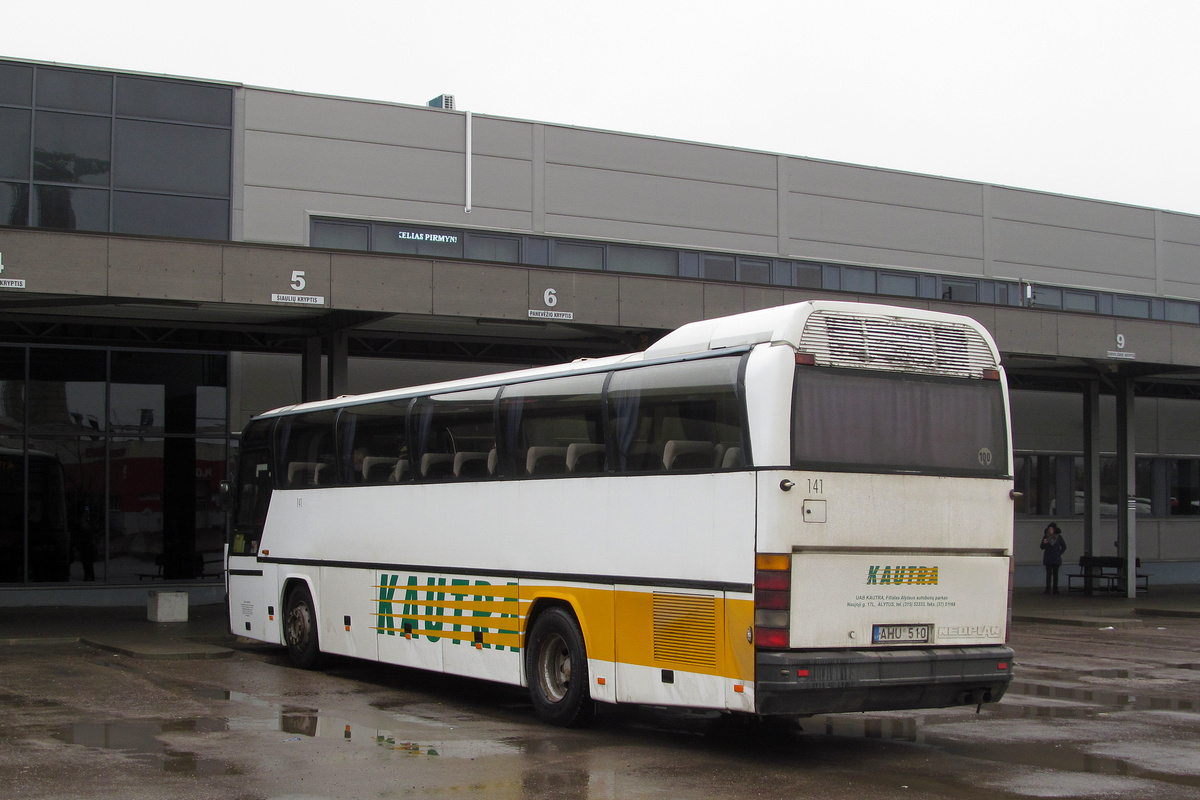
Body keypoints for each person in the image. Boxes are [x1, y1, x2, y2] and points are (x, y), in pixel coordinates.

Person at [1040, 522, 1067, 594]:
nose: (1050, 530)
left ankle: (1055, 589)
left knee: (1055, 574)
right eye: (1049, 529)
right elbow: (1042, 547)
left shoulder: (1059, 537)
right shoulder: (1046, 537)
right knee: (1048, 574)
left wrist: (1059, 553)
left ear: (1055, 530)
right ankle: (1048, 589)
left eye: (1052, 529)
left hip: (1056, 558)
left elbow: (1064, 546)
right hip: (1048, 558)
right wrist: (1044, 543)